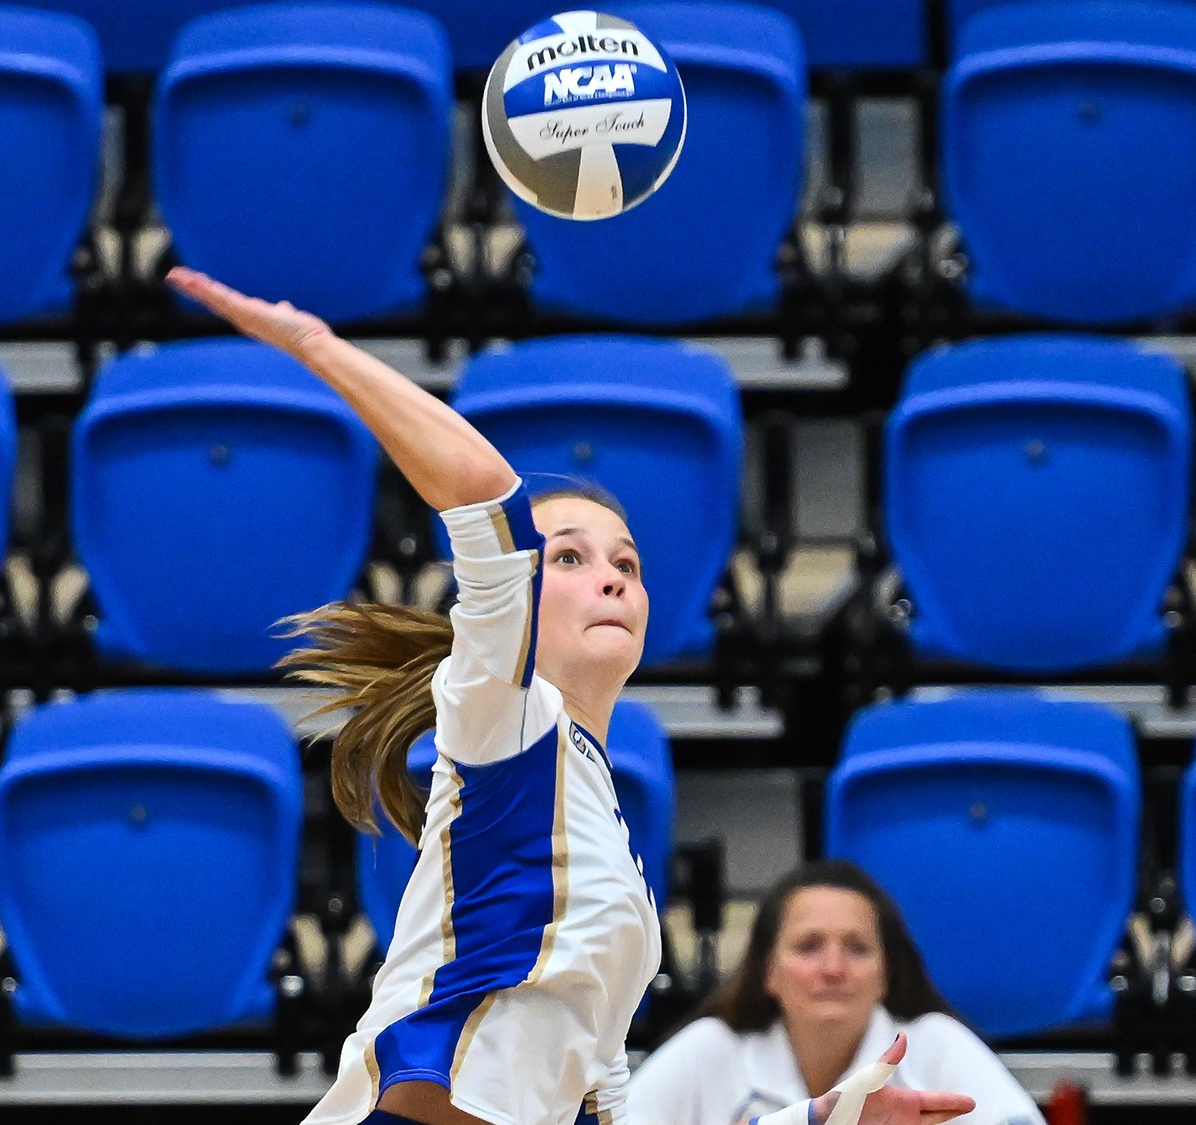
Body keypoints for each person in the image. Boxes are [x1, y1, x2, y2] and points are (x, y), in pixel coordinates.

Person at [167, 268, 975, 1125]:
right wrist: (317, 348)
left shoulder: (609, 843)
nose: (612, 579)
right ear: (516, 598)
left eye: (627, 563)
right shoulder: (503, 721)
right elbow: (484, 496)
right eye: (572, 558)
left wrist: (823, 1119)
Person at [631, 862, 1043, 1125]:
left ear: (886, 974)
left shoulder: (935, 1042)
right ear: (768, 972)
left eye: (858, 948)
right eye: (809, 946)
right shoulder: (711, 1047)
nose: (833, 969)